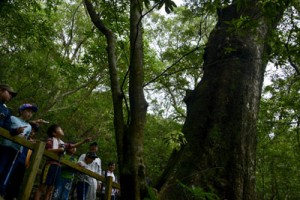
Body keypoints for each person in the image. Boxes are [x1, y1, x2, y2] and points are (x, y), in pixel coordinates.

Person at [34, 124, 91, 200]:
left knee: (50, 188)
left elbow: (73, 146)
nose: (62, 130)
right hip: (50, 165)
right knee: (42, 186)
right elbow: (47, 150)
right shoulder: (50, 140)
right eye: (59, 129)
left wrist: (83, 141)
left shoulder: (62, 143)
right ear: (54, 133)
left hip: (58, 167)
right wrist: (59, 150)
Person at [0, 103, 39, 198]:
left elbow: (25, 138)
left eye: (32, 113)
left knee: (8, 171)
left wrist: (29, 143)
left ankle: (1, 191)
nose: (30, 114)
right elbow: (6, 128)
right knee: (0, 167)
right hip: (5, 146)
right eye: (28, 111)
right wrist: (16, 131)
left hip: (17, 151)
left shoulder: (29, 126)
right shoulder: (12, 118)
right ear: (21, 111)